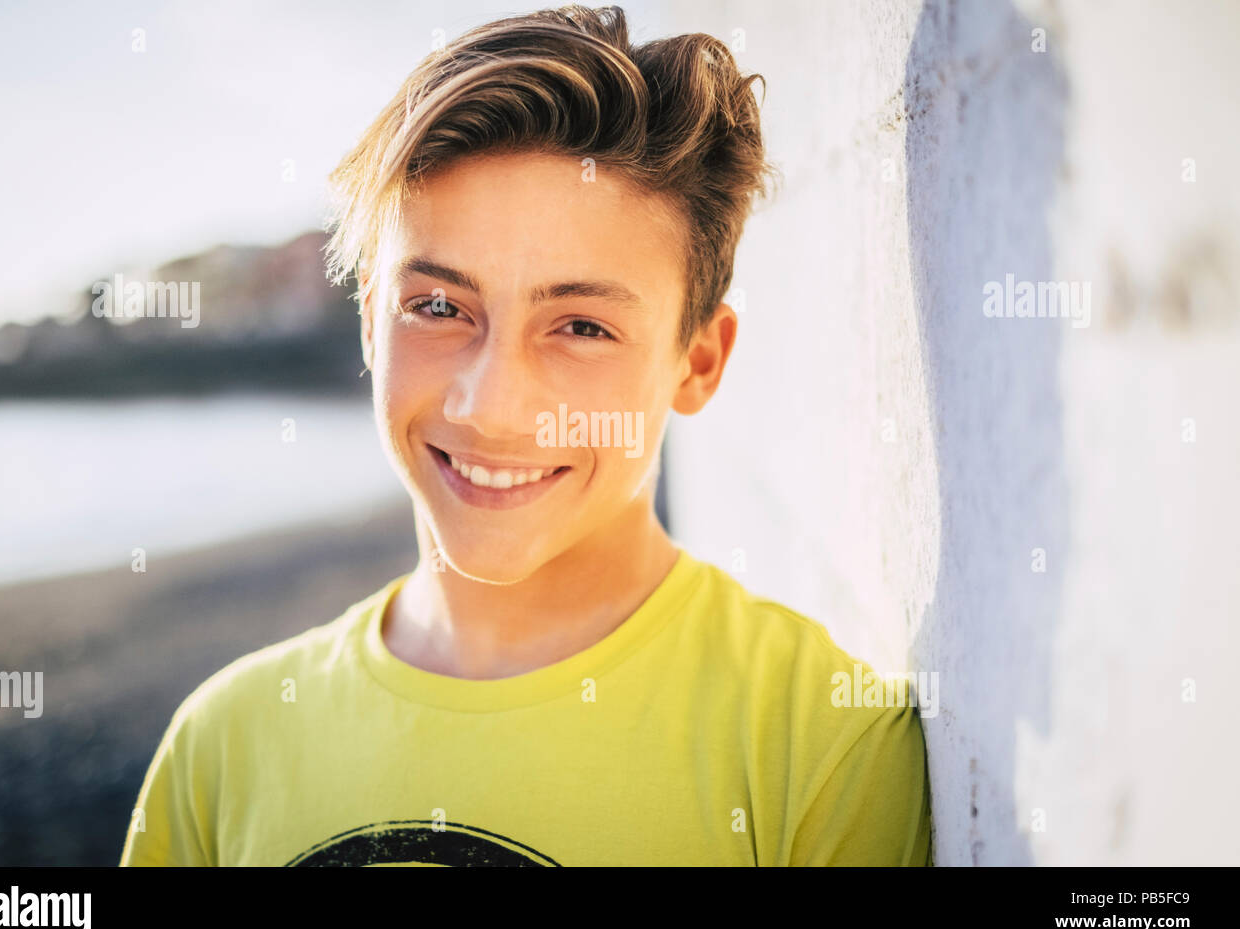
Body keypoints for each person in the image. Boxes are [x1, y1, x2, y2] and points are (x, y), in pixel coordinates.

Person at [120, 4, 932, 867]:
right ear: (370, 326)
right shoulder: (219, 748)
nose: (488, 406)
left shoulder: (820, 746)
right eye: (437, 307)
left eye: (580, 326)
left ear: (697, 361)